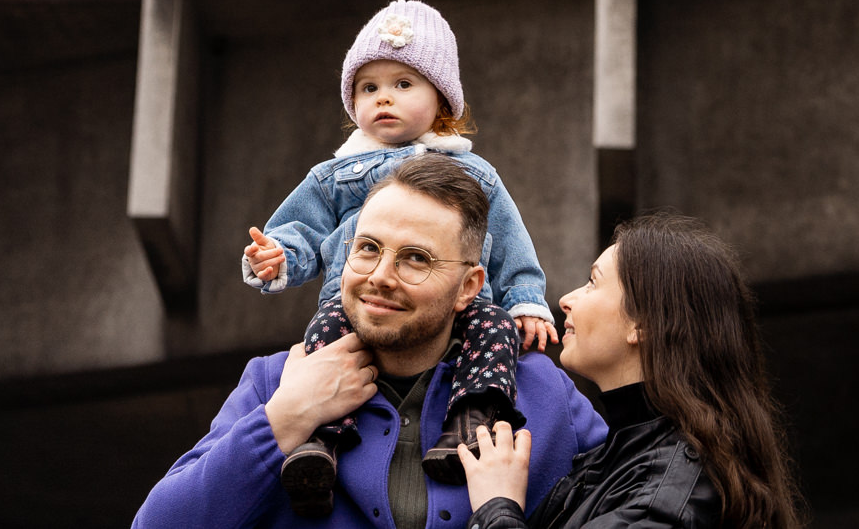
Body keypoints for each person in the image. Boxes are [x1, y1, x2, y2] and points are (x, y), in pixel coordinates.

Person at [135, 154, 607, 529]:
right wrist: (285, 417)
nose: (379, 276)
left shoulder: (543, 391)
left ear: (469, 287)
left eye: (416, 258)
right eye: (367, 248)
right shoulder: (274, 382)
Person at [241, 0, 559, 509]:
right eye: (368, 88)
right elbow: (299, 231)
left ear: (443, 101)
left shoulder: (474, 174)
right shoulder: (335, 176)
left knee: (496, 328)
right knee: (325, 345)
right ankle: (319, 442)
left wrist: (525, 300)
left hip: (456, 312)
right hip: (355, 310)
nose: (383, 98)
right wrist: (277, 258)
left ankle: (471, 422)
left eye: (403, 84)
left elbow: (509, 242)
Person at [455, 216, 802, 529]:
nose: (566, 299)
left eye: (592, 282)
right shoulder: (623, 457)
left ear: (642, 324)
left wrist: (497, 508)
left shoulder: (669, 493)